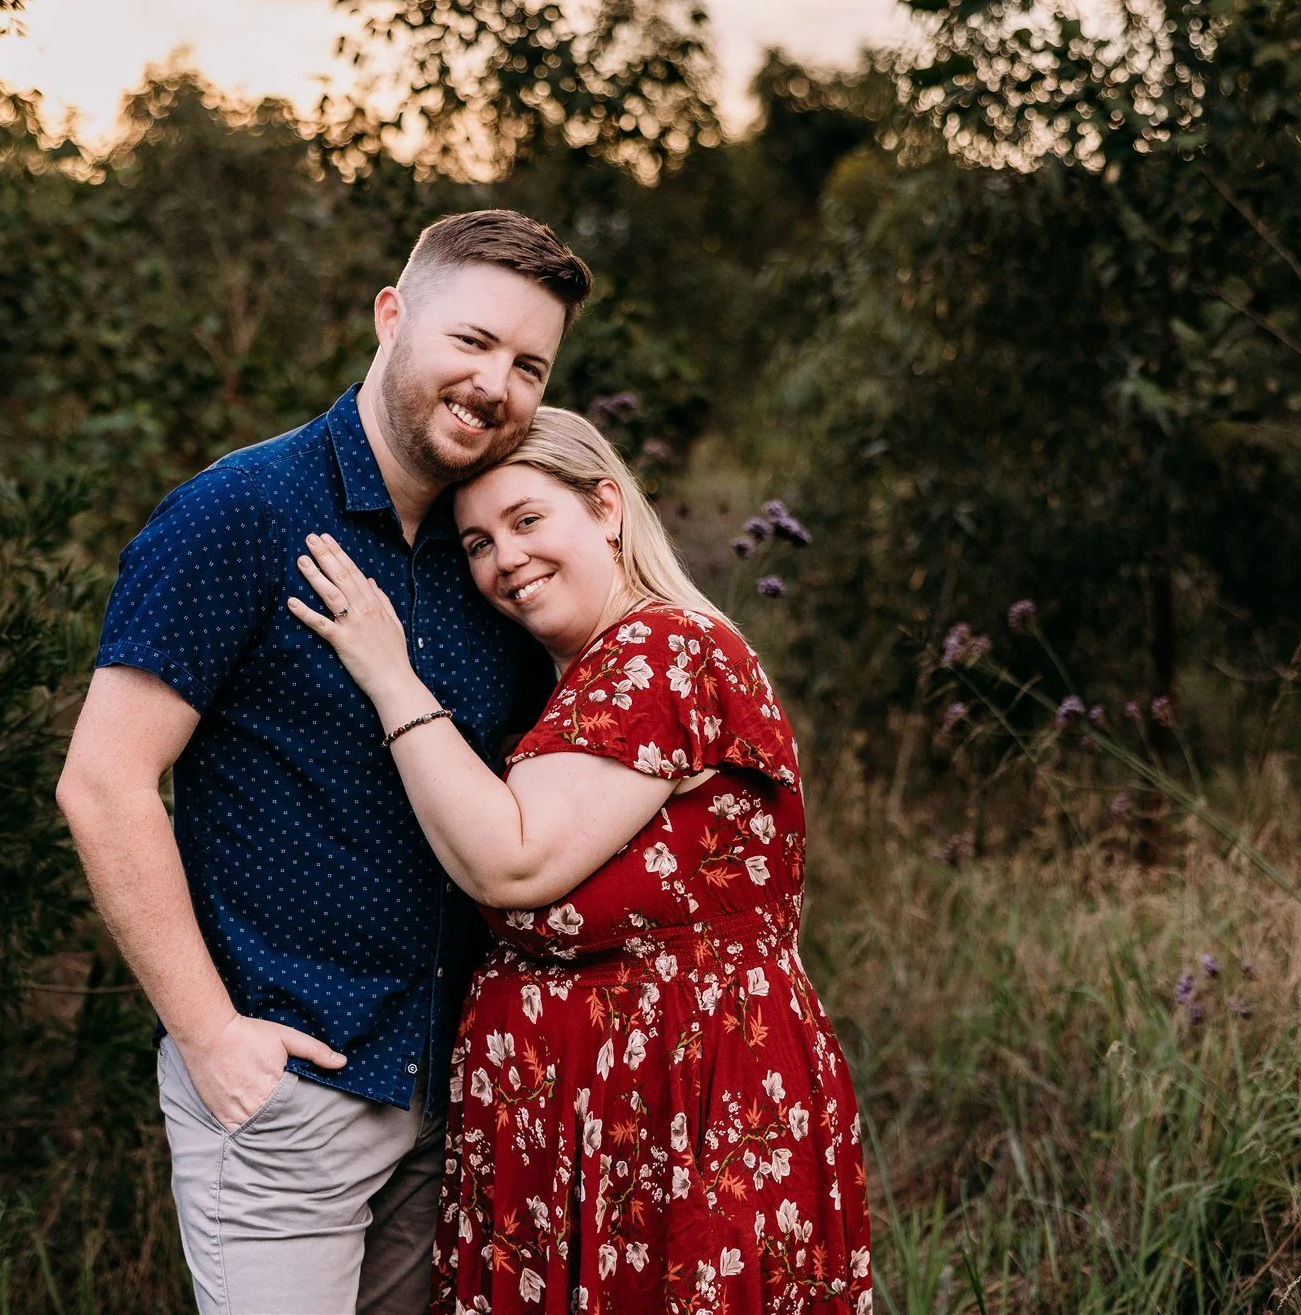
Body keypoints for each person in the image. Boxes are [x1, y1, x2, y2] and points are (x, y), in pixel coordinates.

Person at [56, 210, 591, 1314]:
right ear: (392, 317)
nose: (495, 385)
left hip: (447, 1095)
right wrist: (211, 1039)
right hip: (286, 1087)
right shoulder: (241, 514)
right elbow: (103, 783)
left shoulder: (492, 556)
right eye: (472, 342)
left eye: (528, 365)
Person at [287, 408, 873, 1314]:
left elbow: (512, 865)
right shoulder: (580, 678)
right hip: (589, 1118)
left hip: (681, 1106)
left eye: (527, 520)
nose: (504, 560)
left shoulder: (663, 650)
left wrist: (389, 671)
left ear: (606, 505)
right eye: (477, 543)